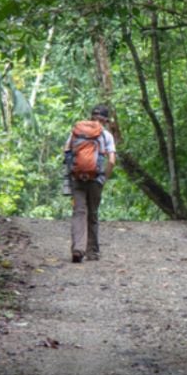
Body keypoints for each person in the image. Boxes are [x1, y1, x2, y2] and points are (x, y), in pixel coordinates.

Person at [64, 105, 116, 263]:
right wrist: (104, 178)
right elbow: (112, 161)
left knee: (79, 212)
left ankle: (78, 249)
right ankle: (92, 252)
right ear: (106, 121)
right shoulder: (106, 135)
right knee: (92, 214)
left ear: (91, 116)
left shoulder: (77, 132)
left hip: (77, 177)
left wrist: (72, 174)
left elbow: (66, 151)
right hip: (96, 179)